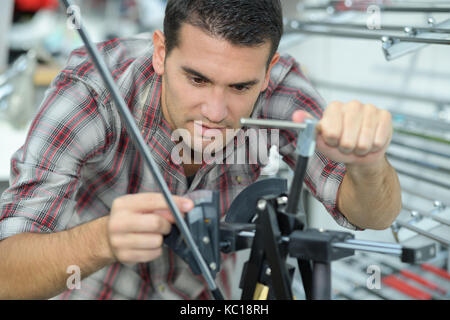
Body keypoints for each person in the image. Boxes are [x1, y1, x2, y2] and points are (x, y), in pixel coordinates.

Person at [0, 0, 401, 299]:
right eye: (197, 79)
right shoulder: (92, 92)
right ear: (161, 52)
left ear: (268, 69)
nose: (214, 111)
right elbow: (6, 273)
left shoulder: (279, 86)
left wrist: (368, 164)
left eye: (240, 87)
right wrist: (101, 240)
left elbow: (373, 215)